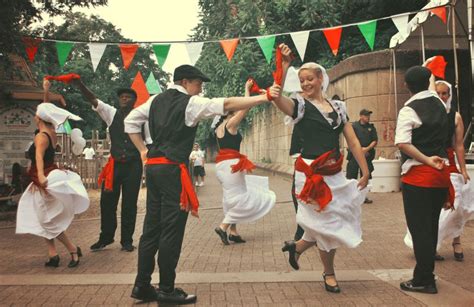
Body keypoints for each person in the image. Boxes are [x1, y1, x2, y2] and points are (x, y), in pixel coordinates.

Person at [124, 64, 275, 304]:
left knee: (152, 227)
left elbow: (130, 122)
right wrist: (264, 97)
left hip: (153, 168)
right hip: (173, 170)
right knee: (171, 228)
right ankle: (166, 289)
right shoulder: (190, 103)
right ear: (185, 82)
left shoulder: (154, 101)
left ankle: (142, 285)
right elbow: (225, 105)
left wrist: (144, 151)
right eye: (198, 83)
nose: (200, 87)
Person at [272, 44, 369, 294]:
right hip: (309, 175)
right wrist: (283, 67)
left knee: (332, 221)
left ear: (321, 79)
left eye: (309, 79)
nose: (305, 84)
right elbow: (276, 97)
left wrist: (365, 170)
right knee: (326, 224)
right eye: (302, 80)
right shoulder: (299, 106)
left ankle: (299, 247)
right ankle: (329, 273)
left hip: (334, 173)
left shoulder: (339, 108)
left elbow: (353, 141)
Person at [16, 79, 89, 268]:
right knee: (42, 217)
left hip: (43, 177)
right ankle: (52, 254)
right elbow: (45, 108)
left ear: (39, 118)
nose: (35, 115)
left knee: (47, 220)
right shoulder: (50, 131)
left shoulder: (41, 136)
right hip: (42, 177)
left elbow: (38, 157)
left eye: (37, 114)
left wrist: (40, 176)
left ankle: (73, 249)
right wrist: (46, 91)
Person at [395, 66, 452, 294]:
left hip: (419, 175)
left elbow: (403, 143)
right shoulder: (441, 104)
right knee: (430, 226)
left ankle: (424, 279)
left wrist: (427, 160)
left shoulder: (409, 109)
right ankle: (426, 275)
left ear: (407, 86)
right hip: (441, 176)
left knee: (419, 229)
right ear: (430, 80)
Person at [404, 80, 473, 261]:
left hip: (448, 163)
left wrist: (463, 169)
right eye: (439, 93)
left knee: (457, 205)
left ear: (449, 96)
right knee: (434, 209)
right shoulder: (422, 112)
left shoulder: (454, 116)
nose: (442, 96)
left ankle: (456, 240)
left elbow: (458, 145)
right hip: (428, 163)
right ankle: (430, 246)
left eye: (445, 94)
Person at [72, 80, 144, 252]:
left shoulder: (141, 117)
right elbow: (94, 100)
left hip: (133, 166)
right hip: (115, 166)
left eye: (128, 97)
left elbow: (148, 141)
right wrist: (81, 84)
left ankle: (127, 240)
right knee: (107, 202)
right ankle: (106, 238)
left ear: (134, 101)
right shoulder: (112, 114)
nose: (124, 99)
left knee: (129, 204)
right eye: (122, 97)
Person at [213, 79, 276, 245]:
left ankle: (233, 232)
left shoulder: (218, 128)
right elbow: (246, 107)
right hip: (232, 165)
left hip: (222, 166)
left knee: (230, 197)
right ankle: (223, 226)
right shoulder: (230, 124)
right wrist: (247, 92)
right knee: (242, 197)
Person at [346, 108, 378, 204]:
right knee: (351, 175)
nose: (368, 117)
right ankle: (351, 196)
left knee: (365, 175)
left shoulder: (371, 127)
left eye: (368, 115)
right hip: (354, 155)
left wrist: (366, 149)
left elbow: (375, 141)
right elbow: (351, 140)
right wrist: (359, 151)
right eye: (366, 115)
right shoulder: (354, 126)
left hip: (367, 155)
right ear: (361, 116)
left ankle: (363, 196)